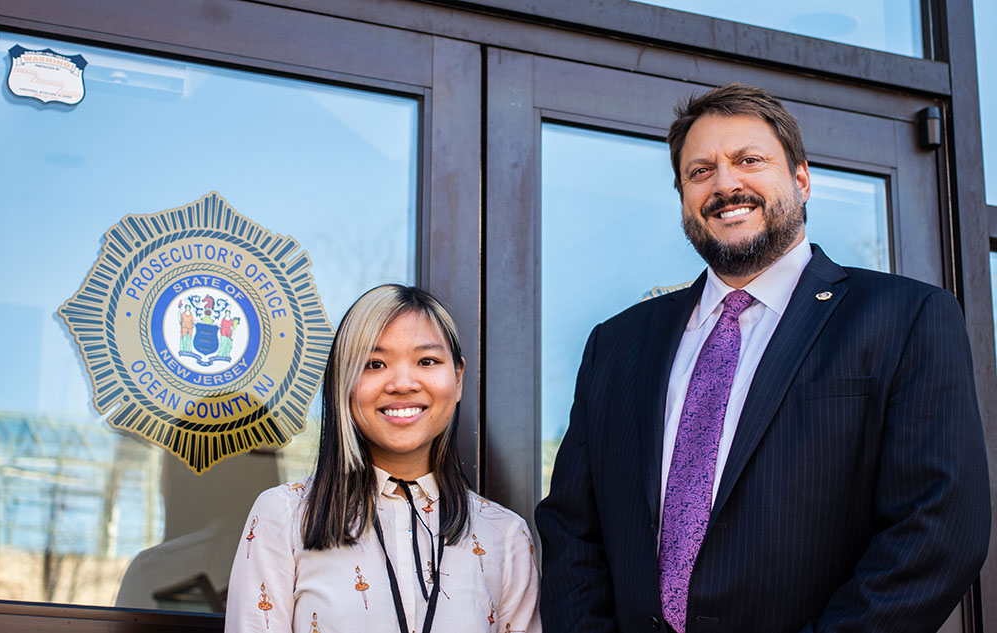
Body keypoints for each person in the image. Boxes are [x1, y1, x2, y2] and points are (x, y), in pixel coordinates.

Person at [535, 83, 990, 633]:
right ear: (682, 195)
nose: (725, 183)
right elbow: (572, 532)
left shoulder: (907, 318)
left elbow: (938, 527)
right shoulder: (616, 343)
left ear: (800, 179)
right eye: (700, 171)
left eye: (749, 160)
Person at [227, 284, 541, 632]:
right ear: (343, 383)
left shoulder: (506, 535)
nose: (403, 383)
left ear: (458, 378)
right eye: (375, 364)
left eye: (427, 361)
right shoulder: (283, 517)